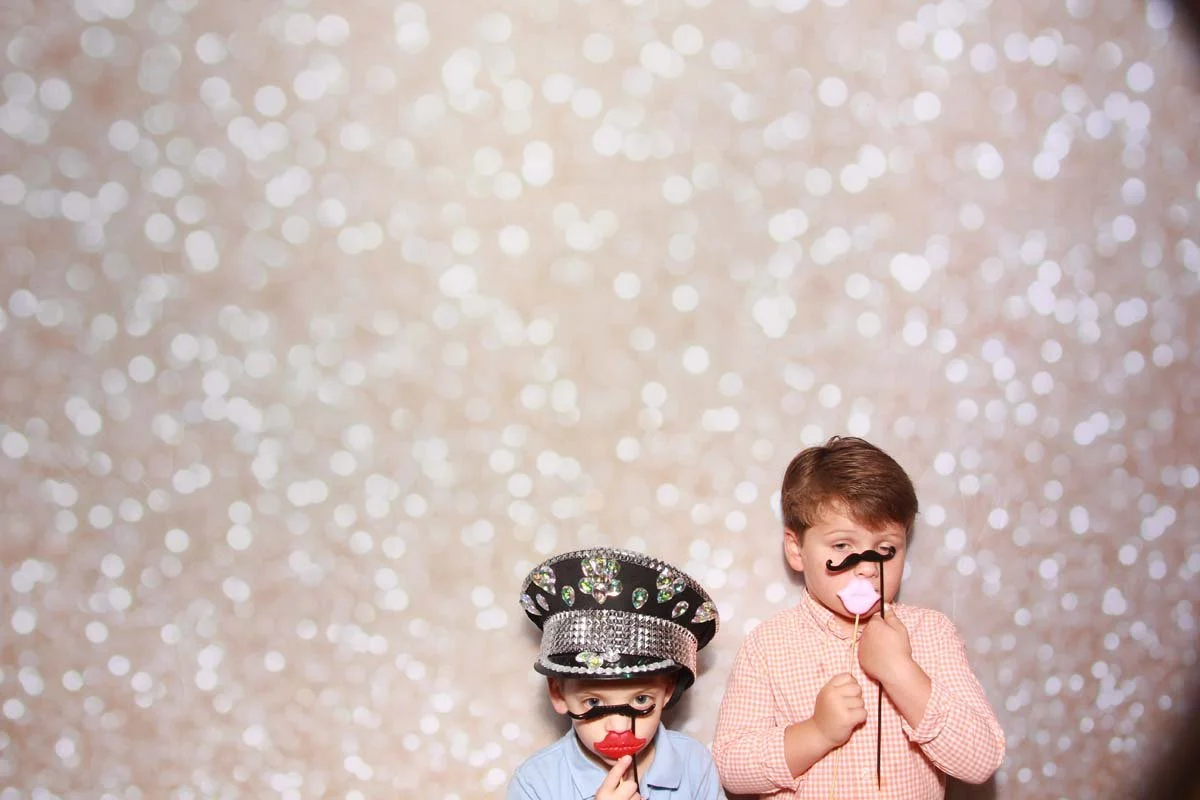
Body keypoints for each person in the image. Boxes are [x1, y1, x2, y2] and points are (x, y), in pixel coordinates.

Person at [712, 436, 1005, 798]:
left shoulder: (932, 633)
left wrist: (900, 671)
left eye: (886, 549)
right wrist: (816, 732)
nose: (867, 568)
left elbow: (981, 759)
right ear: (796, 549)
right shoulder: (767, 646)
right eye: (842, 546)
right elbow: (731, 767)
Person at [508, 547, 724, 800]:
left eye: (641, 700)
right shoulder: (535, 782)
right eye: (593, 702)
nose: (620, 728)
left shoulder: (694, 765)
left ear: (667, 690)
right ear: (558, 693)